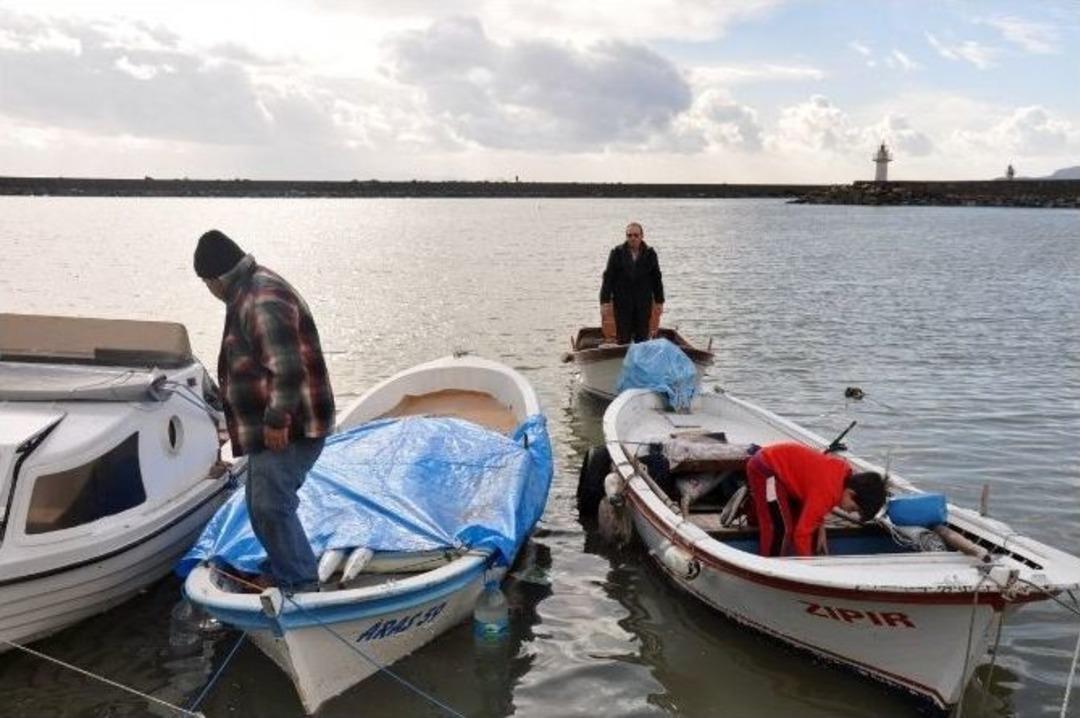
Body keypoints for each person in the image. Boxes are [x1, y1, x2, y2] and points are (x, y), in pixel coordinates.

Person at [194, 229, 335, 592]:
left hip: (291, 427)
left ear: (215, 279)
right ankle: (283, 566)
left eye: (206, 283)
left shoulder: (261, 299)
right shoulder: (245, 292)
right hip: (268, 428)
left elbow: (287, 368)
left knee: (272, 506)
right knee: (259, 506)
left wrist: (275, 421)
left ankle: (301, 584)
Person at [745, 442, 886, 557]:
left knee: (795, 520)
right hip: (765, 468)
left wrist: (821, 529)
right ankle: (772, 567)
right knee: (780, 528)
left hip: (786, 479)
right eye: (854, 508)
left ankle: (755, 504)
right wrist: (810, 566)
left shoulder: (842, 475)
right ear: (850, 493)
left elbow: (816, 505)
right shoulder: (827, 491)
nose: (850, 513)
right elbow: (801, 534)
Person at [599, 222, 664, 344]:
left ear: (641, 236)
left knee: (642, 337)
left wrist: (659, 301)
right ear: (626, 236)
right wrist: (604, 301)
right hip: (622, 302)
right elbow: (608, 278)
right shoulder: (617, 253)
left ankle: (640, 360)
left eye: (635, 235)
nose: (632, 238)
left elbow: (657, 278)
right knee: (623, 337)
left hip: (643, 302)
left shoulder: (650, 254)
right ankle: (623, 359)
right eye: (629, 235)